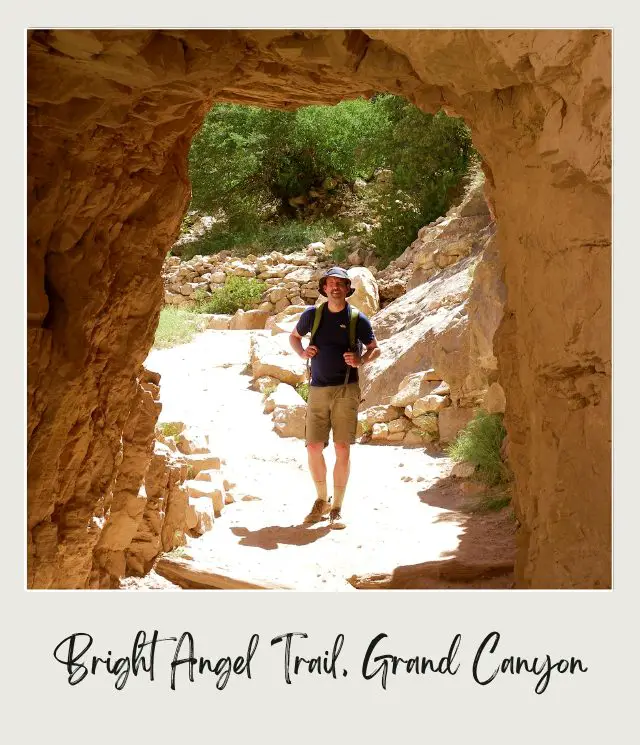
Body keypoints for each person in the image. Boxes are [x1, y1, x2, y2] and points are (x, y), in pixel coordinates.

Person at [289, 267, 380, 529]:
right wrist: (303, 352)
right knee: (314, 447)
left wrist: (361, 359)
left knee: (342, 448)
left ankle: (337, 507)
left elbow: (375, 348)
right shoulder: (313, 315)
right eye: (331, 283)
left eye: (340, 283)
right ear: (325, 288)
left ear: (347, 289)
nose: (335, 287)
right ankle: (321, 500)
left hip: (345, 389)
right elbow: (294, 338)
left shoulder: (357, 319)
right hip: (317, 388)